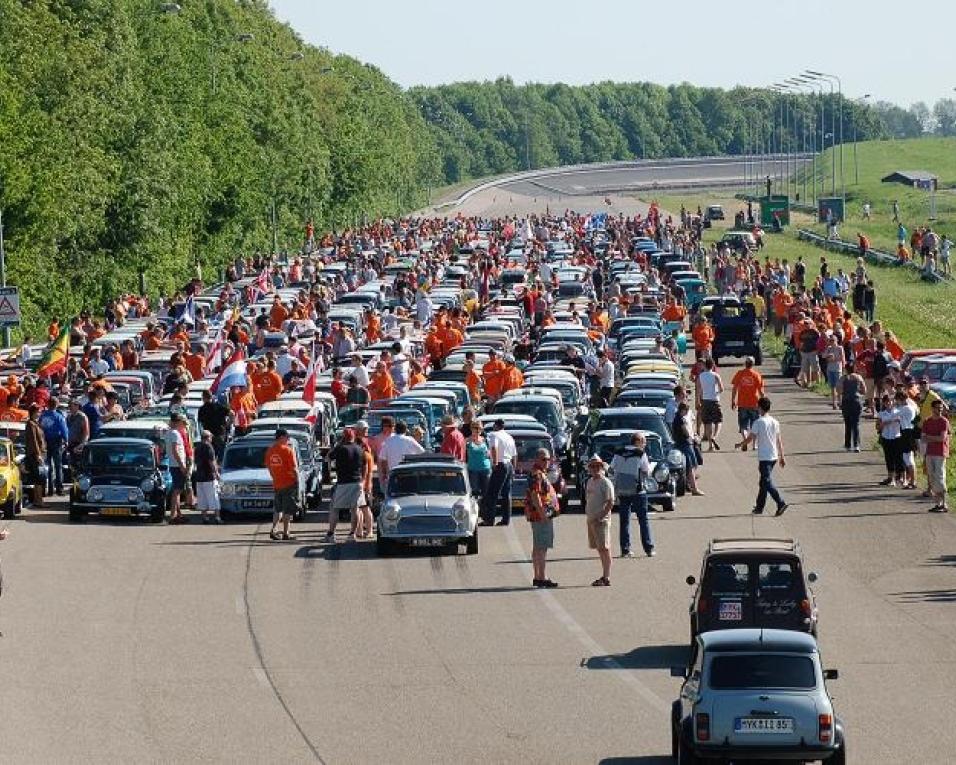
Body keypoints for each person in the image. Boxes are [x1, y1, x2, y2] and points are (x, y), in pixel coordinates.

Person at [609, 432, 654, 559]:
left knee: (624, 521)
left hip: (622, 490)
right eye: (644, 441)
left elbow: (611, 468)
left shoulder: (619, 452)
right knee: (643, 520)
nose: (645, 444)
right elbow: (646, 471)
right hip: (638, 490)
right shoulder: (640, 454)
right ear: (638, 441)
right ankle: (648, 548)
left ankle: (625, 549)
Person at [742, 397, 788, 516]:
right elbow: (779, 441)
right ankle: (759, 507)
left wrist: (740, 444)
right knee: (763, 482)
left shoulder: (758, 422)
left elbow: (750, 438)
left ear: (760, 408)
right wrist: (782, 456)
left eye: (758, 406)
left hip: (765, 457)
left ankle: (780, 502)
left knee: (766, 482)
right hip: (773, 456)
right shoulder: (775, 421)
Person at [327, 428, 368, 542]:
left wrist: (338, 444)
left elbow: (328, 457)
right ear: (354, 437)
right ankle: (352, 534)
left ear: (343, 437)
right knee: (355, 509)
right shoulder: (360, 449)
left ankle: (331, 534)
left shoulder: (340, 449)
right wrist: (363, 479)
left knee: (335, 508)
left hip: (343, 483)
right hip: (357, 482)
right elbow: (365, 465)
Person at [524, 468, 558, 588]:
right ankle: (542, 577)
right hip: (540, 516)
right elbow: (535, 495)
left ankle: (538, 576)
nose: (547, 461)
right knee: (542, 547)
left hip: (538, 515)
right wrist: (543, 515)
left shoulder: (540, 473)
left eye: (548, 459)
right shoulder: (537, 474)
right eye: (544, 459)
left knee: (538, 547)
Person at [583, 455, 615, 586]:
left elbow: (610, 501)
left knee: (604, 548)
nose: (595, 469)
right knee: (599, 548)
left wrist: (602, 515)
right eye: (593, 466)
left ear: (602, 468)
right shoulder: (590, 481)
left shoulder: (605, 482)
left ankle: (606, 576)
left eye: (598, 466)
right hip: (591, 519)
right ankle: (604, 575)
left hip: (601, 521)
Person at [265, 429, 299, 541]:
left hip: (277, 484)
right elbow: (294, 468)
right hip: (288, 483)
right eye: (287, 437)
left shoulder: (270, 450)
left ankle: (274, 529)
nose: (288, 439)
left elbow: (269, 467)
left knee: (277, 509)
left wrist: (275, 477)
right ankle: (286, 533)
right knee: (287, 510)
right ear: (281, 437)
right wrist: (297, 480)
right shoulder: (288, 450)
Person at [481, 419, 516, 526]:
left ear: (496, 426)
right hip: (509, 464)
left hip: (500, 464)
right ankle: (506, 519)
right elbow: (515, 454)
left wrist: (495, 463)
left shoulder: (494, 435)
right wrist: (513, 468)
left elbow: (493, 448)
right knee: (506, 494)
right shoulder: (509, 437)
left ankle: (489, 520)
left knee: (492, 493)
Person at [922, 399, 950, 512]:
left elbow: (942, 438)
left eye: (941, 409)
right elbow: (923, 439)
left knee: (940, 477)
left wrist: (930, 437)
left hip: (940, 452)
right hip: (930, 452)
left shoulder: (944, 421)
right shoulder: (927, 421)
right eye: (938, 408)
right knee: (932, 477)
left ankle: (944, 503)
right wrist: (933, 438)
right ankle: (938, 503)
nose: (939, 411)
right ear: (932, 408)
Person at [730, 356, 763, 448]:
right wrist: (764, 403)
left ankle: (745, 440)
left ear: (745, 363)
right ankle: (754, 445)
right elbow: (761, 391)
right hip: (754, 404)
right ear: (753, 364)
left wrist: (733, 400)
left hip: (742, 403)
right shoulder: (756, 375)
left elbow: (734, 388)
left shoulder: (740, 374)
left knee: (743, 425)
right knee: (755, 426)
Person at [38, 397, 68, 496]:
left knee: (48, 466)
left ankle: (49, 489)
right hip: (56, 441)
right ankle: (59, 488)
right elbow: (64, 429)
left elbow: (40, 427)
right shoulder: (59, 416)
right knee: (58, 465)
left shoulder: (43, 416)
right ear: (57, 404)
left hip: (45, 441)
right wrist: (66, 440)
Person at [164, 413, 189, 524]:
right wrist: (182, 465)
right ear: (176, 422)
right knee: (177, 490)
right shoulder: (175, 433)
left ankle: (178, 514)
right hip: (177, 465)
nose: (181, 424)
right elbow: (175, 450)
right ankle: (173, 515)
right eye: (180, 421)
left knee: (177, 489)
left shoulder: (169, 433)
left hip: (173, 464)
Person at [194, 430, 222, 524]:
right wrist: (216, 473)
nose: (211, 439)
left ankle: (205, 517)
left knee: (202, 498)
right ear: (208, 437)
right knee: (214, 496)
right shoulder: (209, 446)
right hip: (209, 475)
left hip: (199, 476)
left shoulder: (197, 447)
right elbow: (211, 461)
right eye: (211, 437)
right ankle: (217, 517)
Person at [876, 394, 904, 487]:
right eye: (886, 401)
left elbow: (903, 422)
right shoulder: (881, 414)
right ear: (884, 403)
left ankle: (899, 477)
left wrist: (897, 420)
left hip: (896, 437)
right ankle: (890, 477)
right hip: (886, 437)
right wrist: (884, 423)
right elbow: (877, 427)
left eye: (890, 401)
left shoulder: (898, 412)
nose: (889, 403)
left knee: (898, 458)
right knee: (888, 458)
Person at [836, 362, 865, 452]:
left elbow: (839, 390)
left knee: (847, 424)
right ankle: (856, 445)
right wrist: (858, 391)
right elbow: (864, 390)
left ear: (846, 369)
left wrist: (843, 394)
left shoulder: (843, 378)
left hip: (846, 401)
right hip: (856, 401)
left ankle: (848, 445)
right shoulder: (859, 377)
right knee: (856, 424)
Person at [696, 358, 724, 450]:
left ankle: (710, 445)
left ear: (705, 365)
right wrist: (716, 392)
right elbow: (721, 389)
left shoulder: (701, 376)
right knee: (718, 421)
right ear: (712, 366)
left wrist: (698, 401)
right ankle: (714, 437)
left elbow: (699, 389)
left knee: (707, 423)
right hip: (714, 400)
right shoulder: (715, 375)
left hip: (705, 401)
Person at [198, 389, 231, 461]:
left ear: (204, 398)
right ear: (211, 397)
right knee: (221, 455)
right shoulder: (219, 406)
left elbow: (200, 423)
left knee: (210, 455)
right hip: (220, 433)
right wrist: (229, 424)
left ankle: (213, 468)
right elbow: (231, 413)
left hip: (209, 436)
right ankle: (221, 468)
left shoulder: (202, 409)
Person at [24, 404, 46, 508]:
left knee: (39, 478)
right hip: (34, 455)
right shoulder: (31, 424)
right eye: (38, 411)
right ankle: (39, 501)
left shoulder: (36, 423)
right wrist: (38, 455)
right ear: (33, 412)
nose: (39, 413)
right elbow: (33, 441)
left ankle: (38, 500)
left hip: (40, 453)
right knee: (39, 478)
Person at [466, 422, 491, 498]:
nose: (477, 430)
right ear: (471, 429)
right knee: (474, 492)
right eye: (475, 428)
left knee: (486, 492)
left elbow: (489, 453)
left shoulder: (485, 440)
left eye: (479, 428)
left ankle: (485, 508)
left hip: (485, 468)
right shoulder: (467, 440)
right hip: (473, 469)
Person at [822, 333, 846, 410]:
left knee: (839, 387)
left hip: (837, 369)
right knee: (832, 387)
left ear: (837, 340)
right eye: (830, 340)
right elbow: (823, 356)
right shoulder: (829, 348)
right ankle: (834, 403)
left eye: (833, 340)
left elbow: (842, 359)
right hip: (830, 369)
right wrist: (828, 354)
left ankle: (841, 402)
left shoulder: (840, 348)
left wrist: (842, 367)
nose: (831, 342)